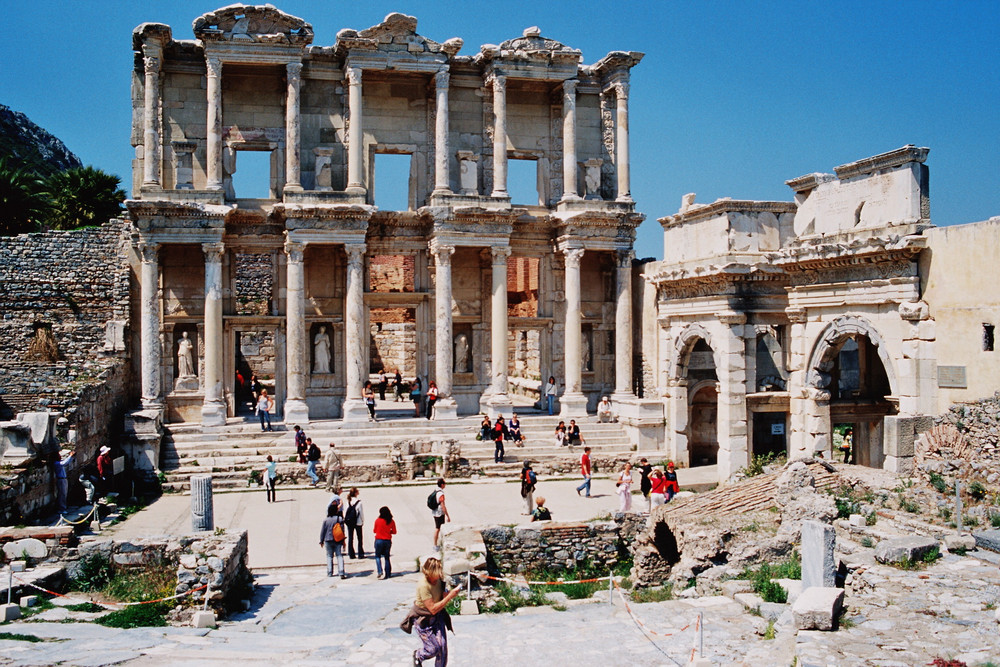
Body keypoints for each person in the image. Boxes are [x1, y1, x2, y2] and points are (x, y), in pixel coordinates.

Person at [403, 556, 459, 666]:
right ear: (432, 571)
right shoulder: (423, 585)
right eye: (439, 570)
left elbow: (440, 601)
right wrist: (449, 597)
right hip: (424, 620)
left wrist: (446, 595)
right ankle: (419, 655)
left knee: (442, 649)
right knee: (433, 649)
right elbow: (432, 609)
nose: (441, 573)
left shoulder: (439, 581)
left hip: (438, 617)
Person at [319, 500, 347, 579]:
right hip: (338, 540)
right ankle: (341, 571)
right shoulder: (340, 519)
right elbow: (342, 531)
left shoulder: (326, 520)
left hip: (328, 539)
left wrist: (321, 541)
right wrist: (344, 541)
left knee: (329, 556)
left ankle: (330, 572)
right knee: (339, 555)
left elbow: (323, 531)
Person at [373, 506, 397, 579]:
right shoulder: (391, 521)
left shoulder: (377, 520)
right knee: (387, 557)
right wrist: (389, 531)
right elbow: (394, 532)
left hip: (379, 540)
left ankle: (380, 571)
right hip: (387, 540)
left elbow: (374, 530)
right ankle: (388, 573)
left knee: (377, 556)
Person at [345, 487, 366, 559]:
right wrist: (363, 521)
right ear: (356, 493)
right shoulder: (359, 502)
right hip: (358, 522)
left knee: (350, 538)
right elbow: (361, 513)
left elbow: (346, 511)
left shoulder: (348, 501)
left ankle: (351, 554)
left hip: (350, 521)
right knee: (359, 538)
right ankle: (360, 553)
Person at [53, 448, 74, 513]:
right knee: (62, 494)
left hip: (64, 479)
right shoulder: (56, 463)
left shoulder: (59, 462)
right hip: (61, 480)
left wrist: (72, 457)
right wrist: (70, 456)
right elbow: (65, 463)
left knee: (64, 494)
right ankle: (61, 509)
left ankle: (63, 507)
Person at [430, 478, 450, 549]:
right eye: (444, 484)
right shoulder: (441, 494)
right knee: (438, 528)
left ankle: (438, 543)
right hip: (439, 513)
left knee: (439, 528)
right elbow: (443, 506)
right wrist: (447, 515)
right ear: (442, 484)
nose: (445, 485)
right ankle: (435, 545)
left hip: (435, 512)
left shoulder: (436, 490)